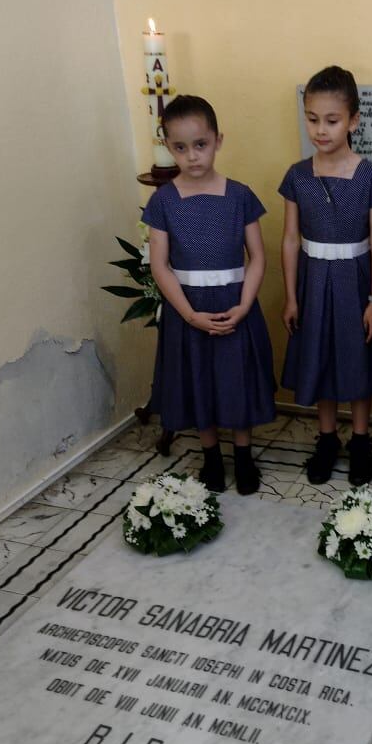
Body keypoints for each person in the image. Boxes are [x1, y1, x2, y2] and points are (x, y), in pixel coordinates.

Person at [143, 95, 275, 494]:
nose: (192, 156)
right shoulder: (163, 201)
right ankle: (211, 456)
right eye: (180, 147)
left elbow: (256, 257)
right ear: (168, 146)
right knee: (199, 378)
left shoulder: (239, 196)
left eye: (200, 145)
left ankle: (243, 454)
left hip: (235, 304)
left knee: (237, 379)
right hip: (191, 311)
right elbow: (160, 265)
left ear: (218, 140)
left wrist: (245, 305)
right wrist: (188, 315)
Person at [280, 66, 372, 486]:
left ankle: (361, 441)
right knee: (321, 357)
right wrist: (292, 298)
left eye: (331, 120)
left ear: (353, 120)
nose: (321, 129)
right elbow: (290, 240)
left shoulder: (369, 175)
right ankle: (328, 437)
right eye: (312, 119)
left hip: (357, 281)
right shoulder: (297, 175)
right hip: (314, 282)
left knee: (357, 360)